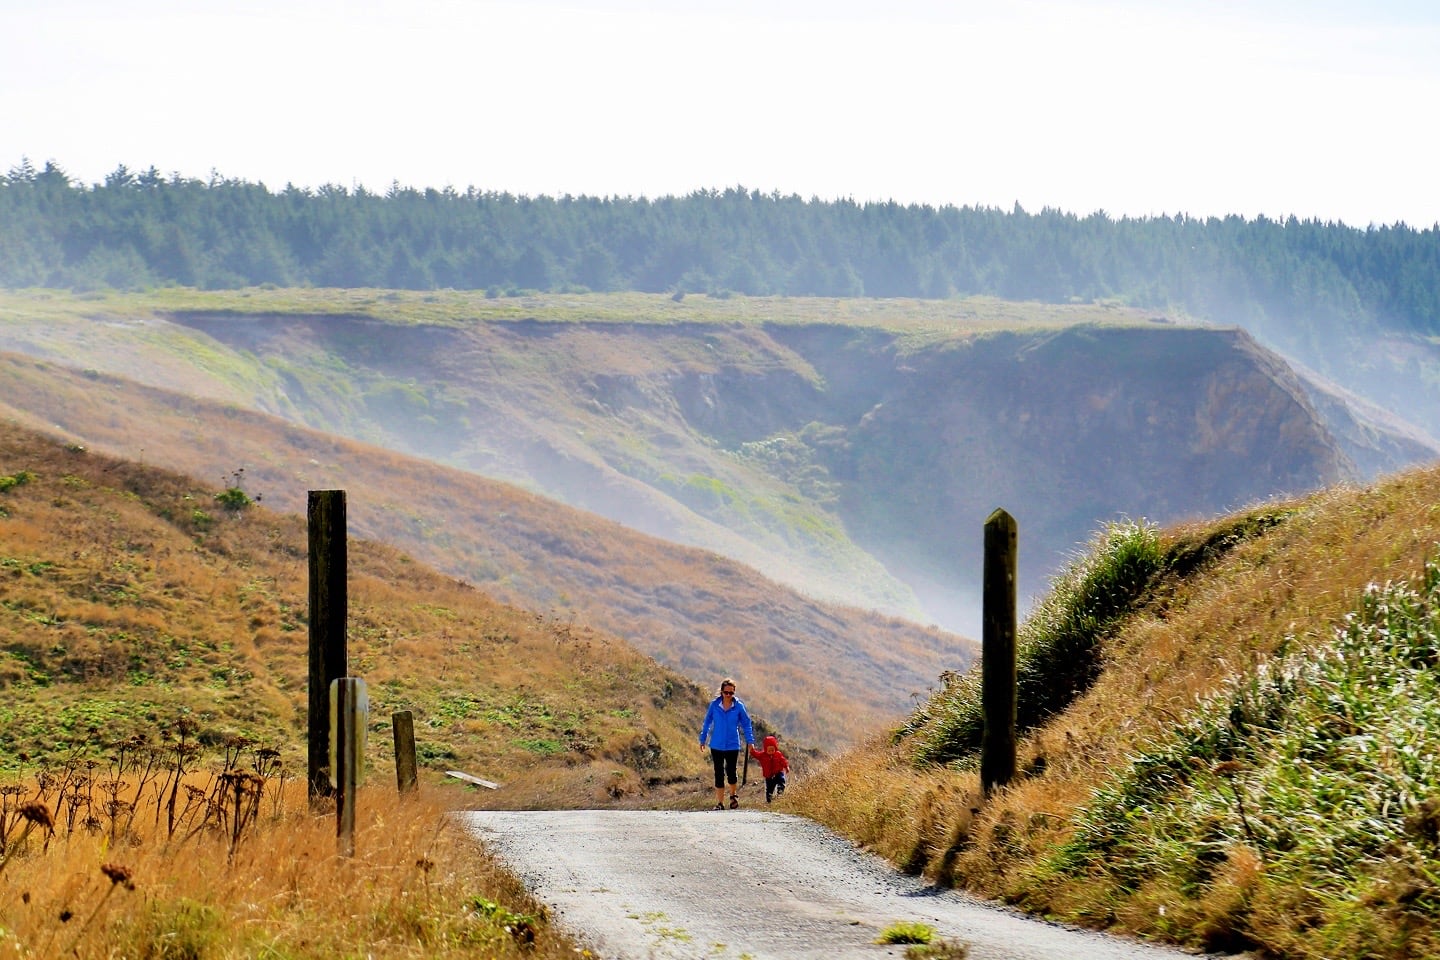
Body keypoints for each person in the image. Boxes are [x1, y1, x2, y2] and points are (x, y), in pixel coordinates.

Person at [698, 677, 755, 809]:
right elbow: (707, 722)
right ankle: (720, 803)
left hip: (732, 744)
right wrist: (703, 738)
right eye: (726, 693)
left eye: (731, 693)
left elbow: (746, 724)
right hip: (716, 744)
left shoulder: (739, 706)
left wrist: (750, 741)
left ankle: (733, 795)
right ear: (722, 692)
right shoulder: (714, 705)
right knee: (718, 772)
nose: (728, 696)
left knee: (731, 771)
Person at [749, 735, 790, 803]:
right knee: (769, 789)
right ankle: (769, 801)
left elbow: (783, 761)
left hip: (778, 772)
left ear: (775, 748)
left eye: (772, 750)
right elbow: (755, 754)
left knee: (781, 781)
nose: (771, 751)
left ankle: (780, 793)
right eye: (769, 750)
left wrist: (786, 767)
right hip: (769, 776)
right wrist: (751, 750)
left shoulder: (778, 754)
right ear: (765, 749)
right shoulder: (762, 755)